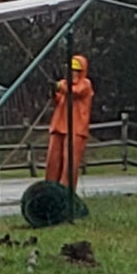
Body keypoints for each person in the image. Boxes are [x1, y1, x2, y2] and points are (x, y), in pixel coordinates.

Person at [46, 54, 94, 189]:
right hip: (59, 126)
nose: (73, 73)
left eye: (76, 70)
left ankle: (67, 192)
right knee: (53, 161)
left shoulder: (86, 84)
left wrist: (58, 87)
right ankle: (50, 188)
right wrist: (53, 92)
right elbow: (58, 100)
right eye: (71, 70)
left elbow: (76, 92)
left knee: (70, 163)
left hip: (76, 128)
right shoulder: (63, 84)